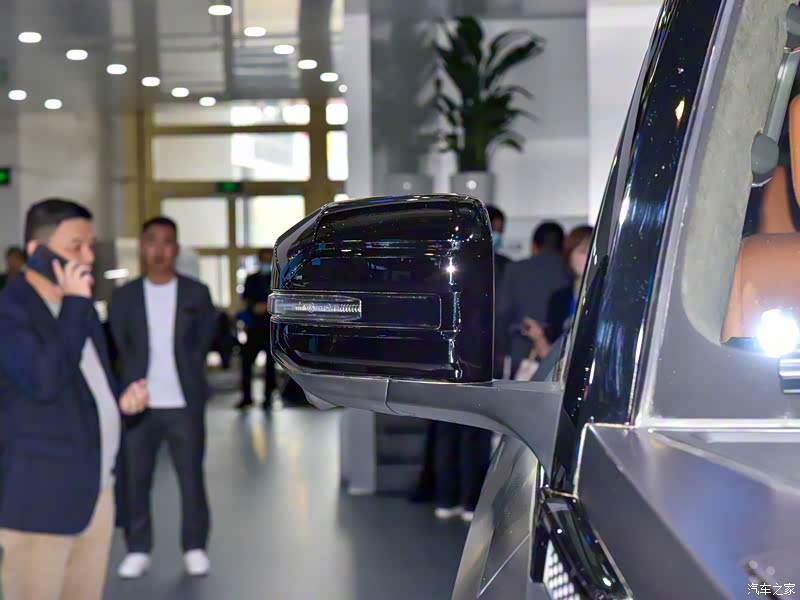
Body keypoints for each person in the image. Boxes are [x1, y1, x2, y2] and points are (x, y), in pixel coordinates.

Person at [0, 198, 148, 600]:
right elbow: (45, 381)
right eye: (74, 247)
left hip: (95, 491)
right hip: (40, 501)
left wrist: (120, 402)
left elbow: (85, 386)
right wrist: (76, 304)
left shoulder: (78, 310)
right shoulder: (11, 312)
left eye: (90, 246)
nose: (87, 258)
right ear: (36, 251)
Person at [110, 216, 217, 579]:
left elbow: (204, 340)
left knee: (191, 478)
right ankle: (138, 549)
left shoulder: (196, 294)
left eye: (167, 242)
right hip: (140, 406)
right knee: (136, 479)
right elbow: (120, 346)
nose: (159, 250)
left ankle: (195, 547)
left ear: (176, 248)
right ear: (142, 247)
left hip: (184, 403)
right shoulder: (124, 297)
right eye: (152, 241)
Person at [496, 221, 570, 377]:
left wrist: (501, 350)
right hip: (559, 353)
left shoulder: (515, 269)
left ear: (534, 245)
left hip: (520, 351)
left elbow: (502, 312)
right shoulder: (570, 272)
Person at [522, 225, 594, 367]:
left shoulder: (607, 297)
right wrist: (539, 337)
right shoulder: (560, 298)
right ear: (569, 255)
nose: (590, 257)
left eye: (593, 251)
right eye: (583, 251)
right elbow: (551, 356)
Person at [238, 248, 276, 410]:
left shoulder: (277, 279)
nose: (266, 263)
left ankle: (268, 397)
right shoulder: (251, 278)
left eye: (268, 260)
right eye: (263, 260)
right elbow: (245, 298)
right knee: (246, 362)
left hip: (270, 328)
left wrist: (267, 307)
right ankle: (246, 397)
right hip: (254, 328)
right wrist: (254, 307)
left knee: (270, 366)